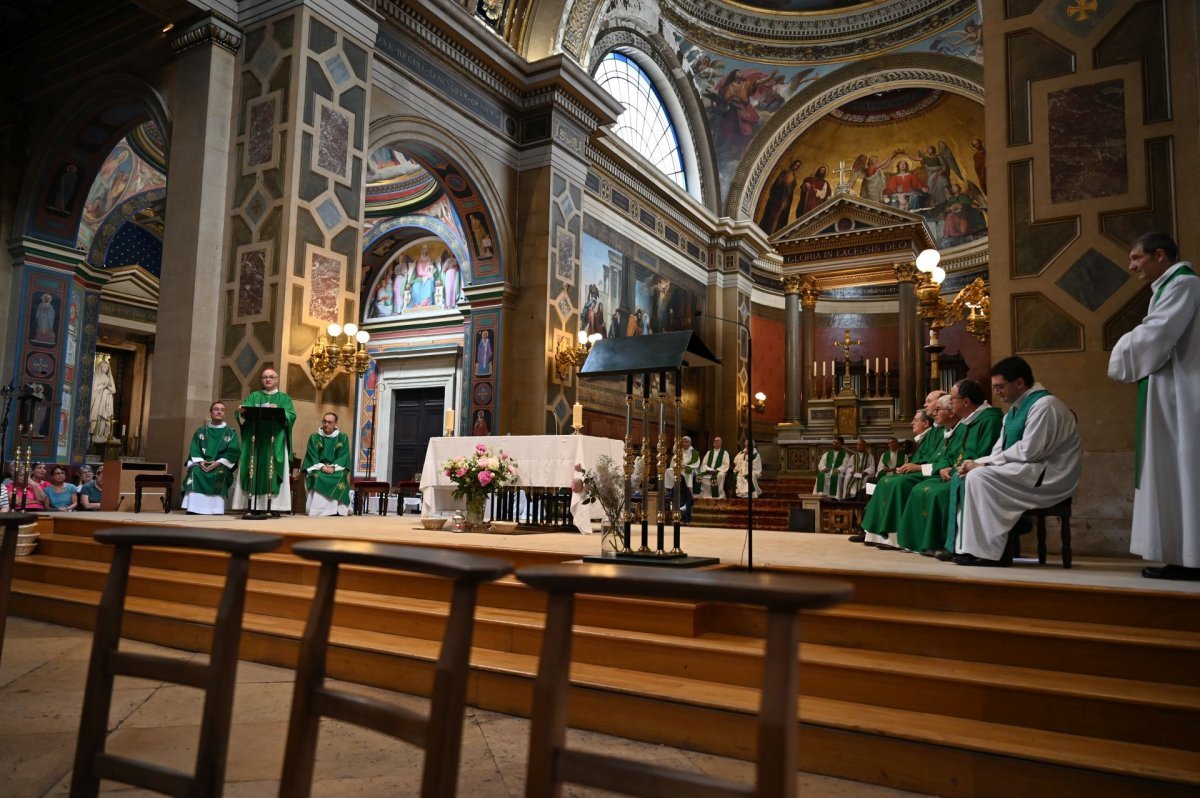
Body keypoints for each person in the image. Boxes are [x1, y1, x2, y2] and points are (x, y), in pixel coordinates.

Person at [1108, 232, 1200, 580]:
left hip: (1183, 394)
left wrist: (1120, 351)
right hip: (1168, 389)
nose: (1132, 266)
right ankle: (1180, 554)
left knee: (1184, 469)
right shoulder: (1168, 288)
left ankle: (1192, 556)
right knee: (1171, 471)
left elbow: (1157, 334)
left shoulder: (1185, 285)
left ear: (1160, 255)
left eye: (1137, 258)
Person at [953, 357, 1082, 566]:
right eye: (994, 388)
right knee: (971, 473)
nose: (996, 392)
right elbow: (999, 451)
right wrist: (975, 462)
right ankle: (973, 548)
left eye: (1000, 387)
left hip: (1051, 475)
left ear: (1019, 383)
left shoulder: (1045, 405)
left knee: (980, 476)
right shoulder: (1013, 412)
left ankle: (993, 552)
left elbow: (1030, 450)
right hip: (1030, 470)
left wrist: (983, 465)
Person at [896, 379, 1001, 557]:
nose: (950, 404)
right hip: (955, 471)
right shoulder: (969, 421)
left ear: (966, 402)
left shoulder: (989, 420)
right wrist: (946, 468)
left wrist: (950, 469)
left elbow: (984, 455)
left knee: (934, 492)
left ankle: (945, 543)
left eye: (952, 399)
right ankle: (923, 542)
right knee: (920, 489)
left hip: (977, 475)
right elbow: (949, 455)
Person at [860, 394, 952, 546]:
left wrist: (916, 467)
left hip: (929, 472)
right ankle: (871, 532)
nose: (926, 404)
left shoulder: (941, 431)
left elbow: (936, 458)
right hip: (923, 470)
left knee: (894, 483)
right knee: (878, 482)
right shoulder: (934, 432)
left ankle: (892, 536)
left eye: (929, 401)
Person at [234, 367, 296, 513]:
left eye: (271, 377)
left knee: (273, 470)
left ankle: (273, 506)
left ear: (277, 380)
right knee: (253, 467)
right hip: (255, 441)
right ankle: (252, 505)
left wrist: (281, 412)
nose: (267, 379)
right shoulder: (254, 396)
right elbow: (241, 413)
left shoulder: (284, 398)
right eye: (264, 377)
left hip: (274, 441)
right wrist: (241, 411)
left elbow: (291, 416)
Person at [181, 401, 241, 515]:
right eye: (216, 409)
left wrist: (219, 462)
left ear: (224, 414)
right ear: (210, 413)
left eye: (222, 410)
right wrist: (200, 461)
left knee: (219, 473)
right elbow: (195, 448)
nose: (219, 412)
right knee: (195, 471)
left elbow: (234, 451)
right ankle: (194, 508)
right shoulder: (201, 431)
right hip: (202, 464)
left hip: (220, 465)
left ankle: (215, 509)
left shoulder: (231, 433)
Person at [303, 412, 352, 517]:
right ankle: (317, 510)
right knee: (317, 476)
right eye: (324, 421)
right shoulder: (314, 437)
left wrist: (334, 467)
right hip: (318, 467)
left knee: (340, 476)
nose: (326, 424)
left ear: (335, 424)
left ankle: (338, 509)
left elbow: (344, 455)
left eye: (330, 422)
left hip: (336, 468)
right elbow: (312, 455)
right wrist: (322, 467)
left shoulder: (342, 437)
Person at [759, 159, 802, 234]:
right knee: (770, 214)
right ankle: (765, 230)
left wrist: (786, 202)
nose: (796, 166)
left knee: (777, 216)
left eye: (797, 166)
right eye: (795, 164)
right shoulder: (784, 172)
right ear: (792, 164)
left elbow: (790, 193)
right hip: (776, 197)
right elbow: (777, 184)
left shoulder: (794, 178)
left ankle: (772, 233)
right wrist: (783, 181)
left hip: (784, 199)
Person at [671, 435, 700, 522]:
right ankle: (673, 489)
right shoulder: (678, 451)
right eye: (683, 442)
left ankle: (688, 490)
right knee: (669, 471)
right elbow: (673, 462)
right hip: (680, 469)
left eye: (686, 442)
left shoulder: (694, 452)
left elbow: (696, 463)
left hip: (691, 469)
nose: (684, 443)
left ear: (690, 443)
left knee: (687, 472)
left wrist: (686, 466)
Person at [89, 356, 117, 442]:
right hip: (98, 400)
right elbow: (94, 388)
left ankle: (103, 435)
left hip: (106, 400)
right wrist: (104, 386)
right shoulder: (96, 377)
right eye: (104, 367)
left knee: (106, 419)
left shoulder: (108, 378)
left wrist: (106, 388)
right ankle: (96, 434)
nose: (106, 368)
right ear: (100, 367)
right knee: (98, 417)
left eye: (107, 367)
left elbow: (114, 390)